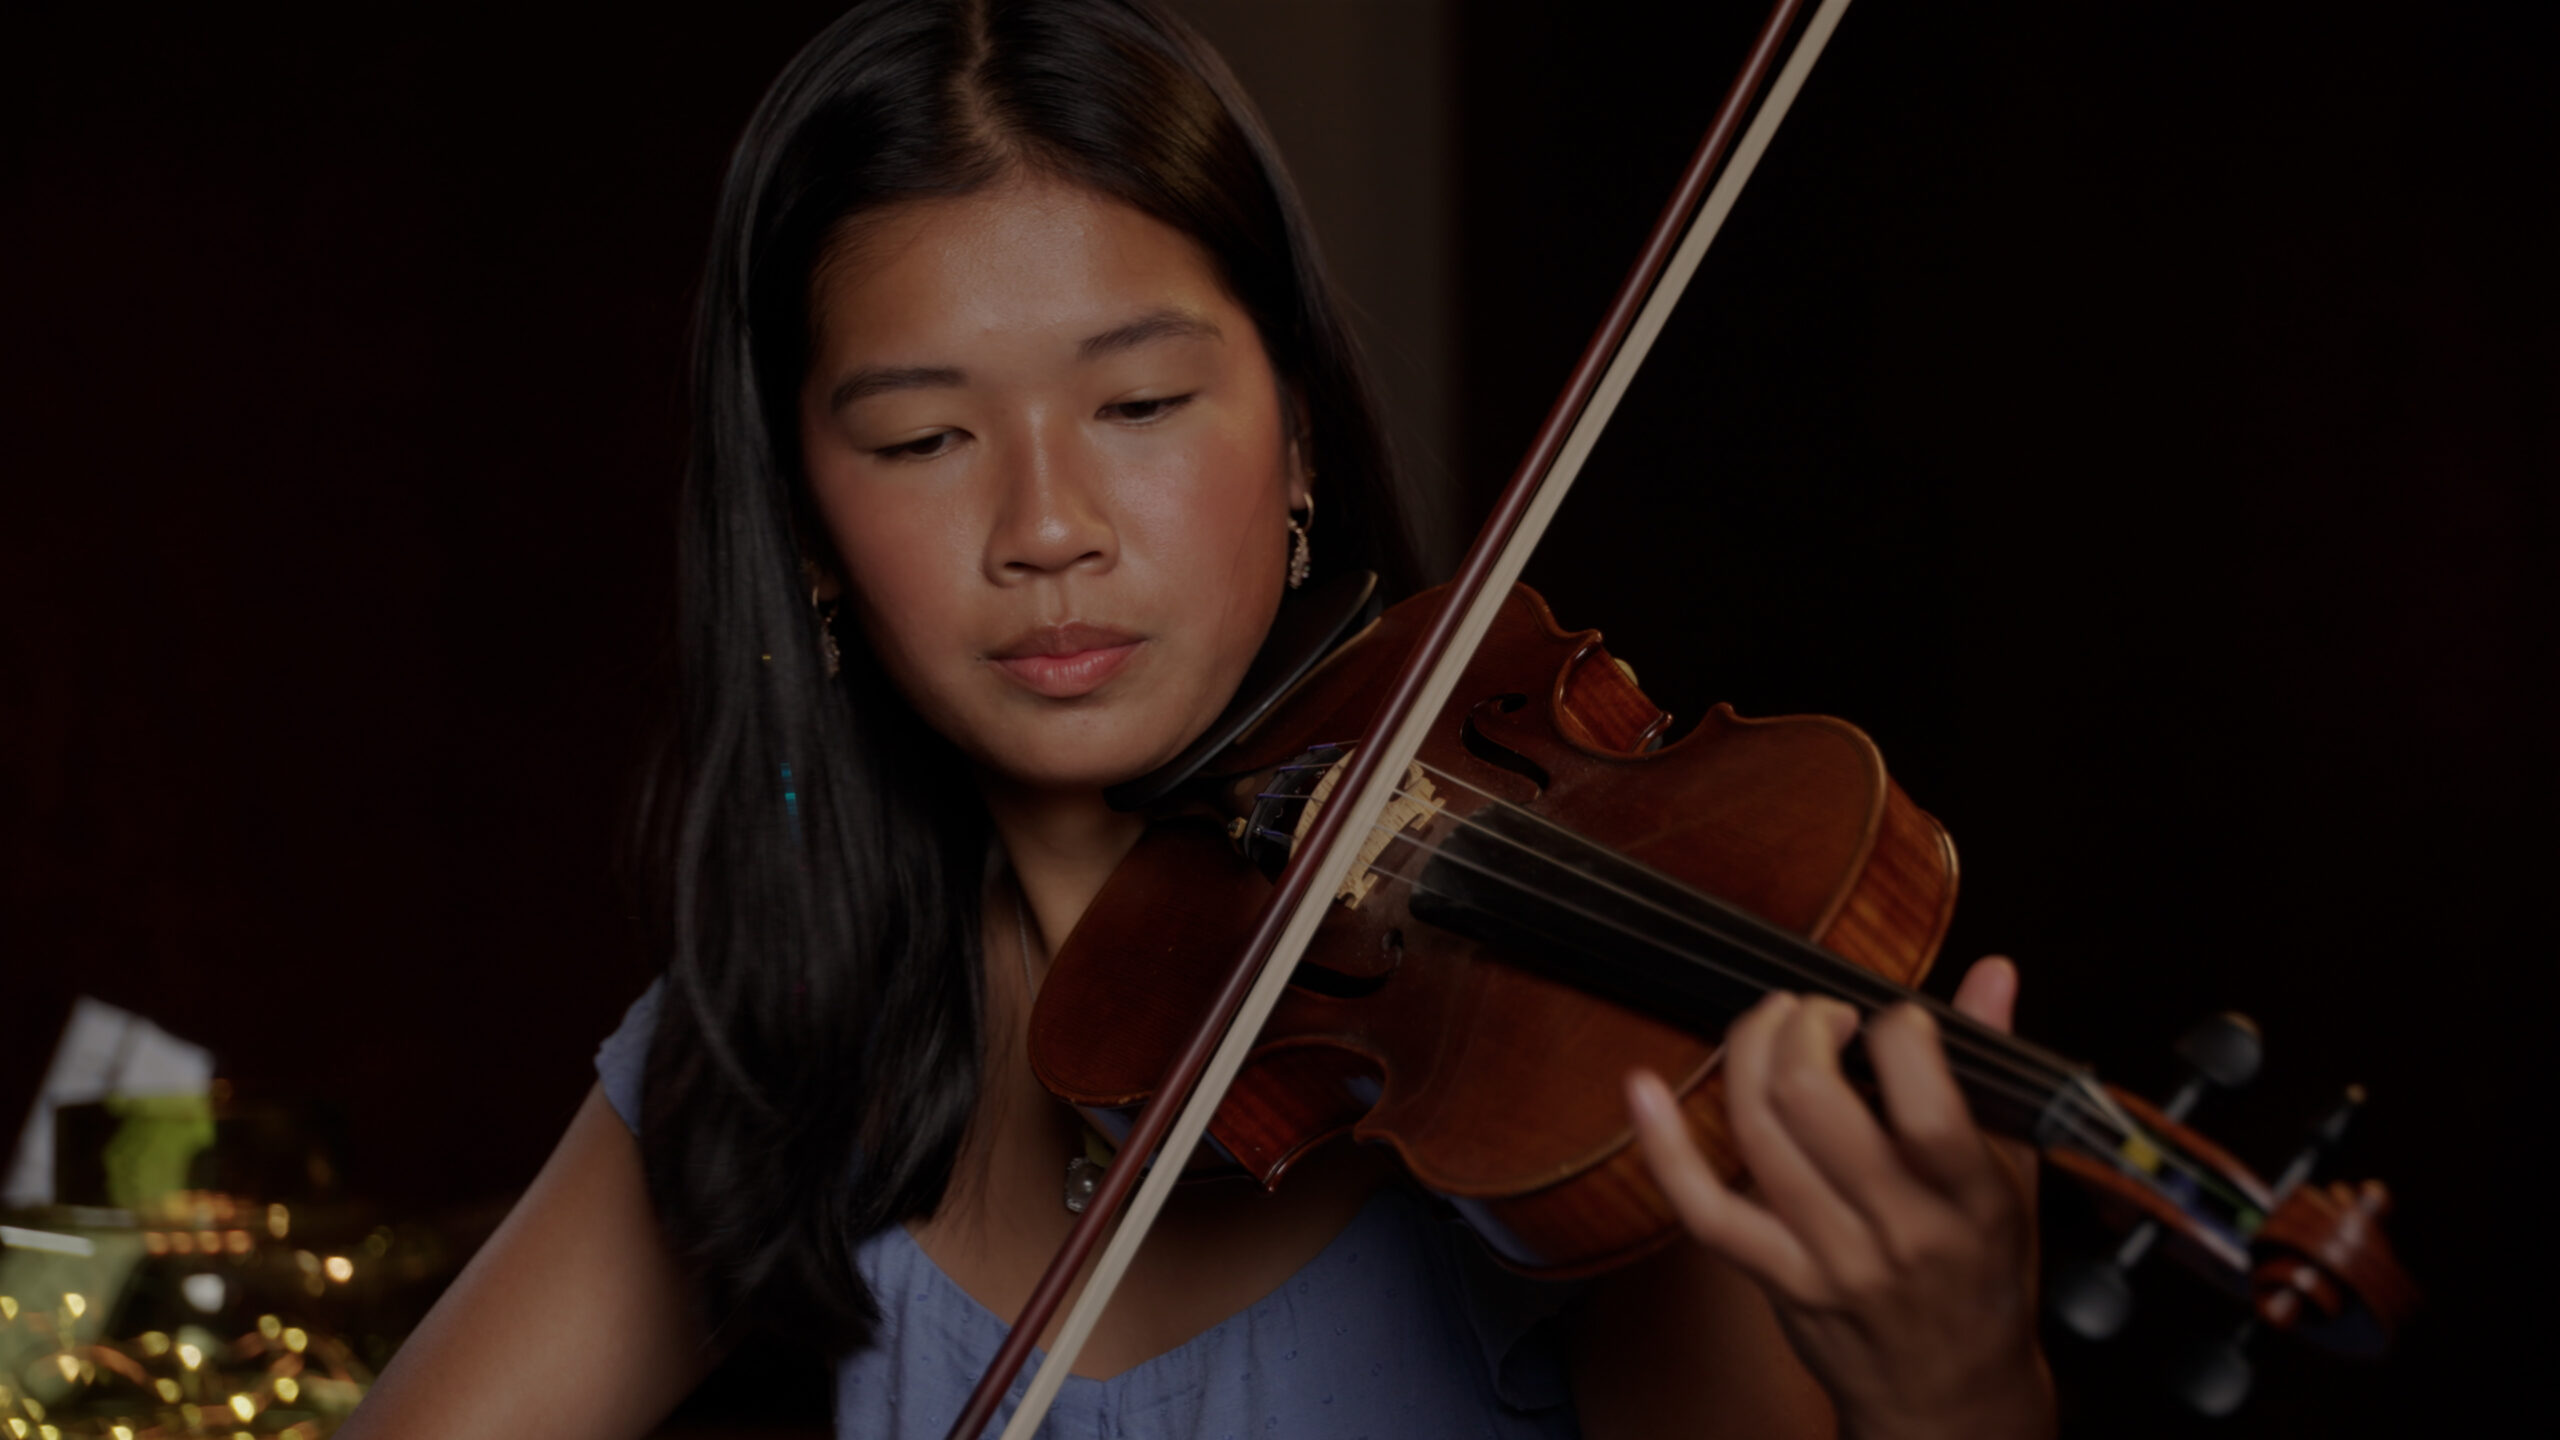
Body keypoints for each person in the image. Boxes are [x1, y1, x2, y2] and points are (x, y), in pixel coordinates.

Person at [339, 2, 2052, 1436]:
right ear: (805, 541)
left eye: (1143, 402)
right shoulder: (788, 1038)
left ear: (1296, 440)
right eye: (926, 439)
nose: (1049, 526)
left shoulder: (1569, 1072)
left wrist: (1957, 1398)